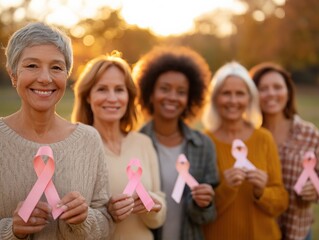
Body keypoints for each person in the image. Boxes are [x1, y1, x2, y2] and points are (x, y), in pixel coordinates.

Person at [0, 22, 113, 239]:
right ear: (13, 74)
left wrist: (85, 219)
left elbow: (107, 222)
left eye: (56, 67)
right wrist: (10, 230)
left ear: (66, 75)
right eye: (32, 66)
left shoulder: (89, 139)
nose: (45, 78)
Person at [71, 51, 166, 240]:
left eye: (119, 89)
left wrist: (154, 206)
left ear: (129, 97)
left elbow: (158, 218)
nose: (112, 98)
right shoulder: (74, 148)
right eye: (102, 89)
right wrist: (107, 215)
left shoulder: (144, 143)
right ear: (88, 96)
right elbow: (71, 226)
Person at [132, 46, 219, 240]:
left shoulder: (203, 145)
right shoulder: (135, 144)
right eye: (164, 89)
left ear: (189, 99)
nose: (172, 97)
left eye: (181, 92)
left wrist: (205, 203)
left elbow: (208, 216)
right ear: (150, 93)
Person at [201, 61, 288, 240]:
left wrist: (261, 192)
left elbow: (281, 202)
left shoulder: (264, 138)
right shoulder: (204, 141)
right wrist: (227, 187)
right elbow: (200, 210)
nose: (233, 101)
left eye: (240, 94)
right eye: (226, 93)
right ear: (216, 98)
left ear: (249, 98)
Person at [250, 62, 319, 240]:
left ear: (288, 92)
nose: (271, 93)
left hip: (297, 231)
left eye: (277, 87)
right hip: (259, 230)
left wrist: (316, 189)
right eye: (263, 88)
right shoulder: (247, 137)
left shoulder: (309, 134)